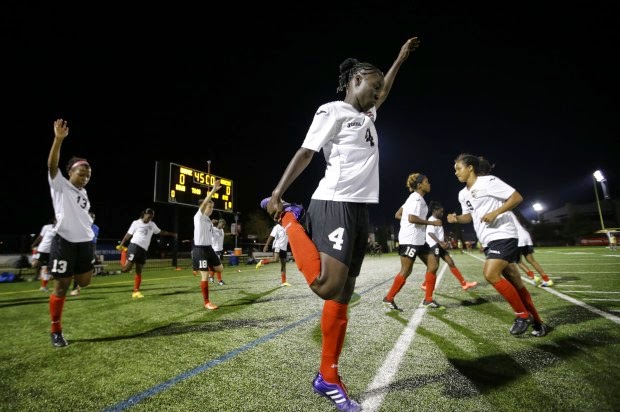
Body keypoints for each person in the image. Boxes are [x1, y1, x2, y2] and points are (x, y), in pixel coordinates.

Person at [261, 36, 420, 411]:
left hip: (360, 209)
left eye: (380, 89)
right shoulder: (332, 110)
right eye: (373, 86)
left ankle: (327, 377)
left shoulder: (367, 116)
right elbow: (306, 152)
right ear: (355, 80)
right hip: (333, 202)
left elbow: (387, 89)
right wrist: (279, 193)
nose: (378, 93)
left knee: (343, 294)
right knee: (326, 285)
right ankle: (291, 217)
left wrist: (400, 58)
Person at [447, 153, 547, 337]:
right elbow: (469, 216)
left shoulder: (489, 181)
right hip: (487, 240)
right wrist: (457, 219)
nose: (456, 173)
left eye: (458, 169)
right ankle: (538, 323)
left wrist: (496, 212)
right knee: (516, 283)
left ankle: (522, 315)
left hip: (504, 234)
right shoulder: (462, 194)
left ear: (470, 168)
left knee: (490, 274)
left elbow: (516, 197)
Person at [46, 119, 95, 347]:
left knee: (84, 282)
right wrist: (58, 139)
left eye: (88, 175)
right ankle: (56, 330)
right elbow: (52, 166)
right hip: (64, 242)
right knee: (61, 287)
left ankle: (71, 270)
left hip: (85, 242)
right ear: (70, 172)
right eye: (81, 174)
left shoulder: (84, 193)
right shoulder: (60, 185)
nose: (84, 178)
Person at [383, 173, 445, 311]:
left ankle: (428, 299)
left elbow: (398, 215)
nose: (429, 184)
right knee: (406, 271)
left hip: (419, 240)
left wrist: (407, 221)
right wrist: (432, 223)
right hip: (410, 240)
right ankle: (389, 298)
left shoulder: (414, 198)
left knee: (433, 265)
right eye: (426, 181)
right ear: (419, 185)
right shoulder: (416, 199)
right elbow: (411, 218)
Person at [117, 208, 177, 298]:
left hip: (144, 250)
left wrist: (172, 234)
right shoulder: (136, 223)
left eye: (151, 217)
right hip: (134, 246)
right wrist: (121, 245)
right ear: (144, 214)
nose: (150, 218)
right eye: (149, 216)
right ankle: (124, 252)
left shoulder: (152, 224)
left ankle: (136, 292)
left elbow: (161, 232)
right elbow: (128, 235)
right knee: (126, 269)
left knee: (139, 271)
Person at [421, 200, 478, 291]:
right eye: (441, 211)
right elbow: (430, 233)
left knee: (450, 263)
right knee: (433, 268)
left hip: (439, 245)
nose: (442, 213)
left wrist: (446, 240)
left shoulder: (438, 220)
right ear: (435, 210)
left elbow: (440, 233)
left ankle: (464, 284)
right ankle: (425, 286)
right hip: (434, 245)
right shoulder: (431, 220)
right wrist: (440, 243)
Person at [192, 180, 223, 310]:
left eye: (212, 207)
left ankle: (200, 266)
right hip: (200, 250)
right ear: (203, 207)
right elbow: (205, 202)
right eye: (210, 207)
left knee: (220, 269)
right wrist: (213, 190)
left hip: (209, 249)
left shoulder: (208, 220)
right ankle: (207, 302)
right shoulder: (198, 216)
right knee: (204, 276)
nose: (211, 209)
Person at [512, 209, 554, 287]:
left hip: (518, 238)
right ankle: (547, 280)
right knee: (532, 261)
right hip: (526, 236)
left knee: (518, 261)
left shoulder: (502, 215)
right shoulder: (512, 214)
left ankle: (534, 277)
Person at [70, 211, 99, 296]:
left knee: (84, 270)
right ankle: (75, 287)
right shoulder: (80, 226)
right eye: (91, 217)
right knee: (75, 269)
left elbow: (93, 241)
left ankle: (77, 286)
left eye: (93, 217)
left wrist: (94, 252)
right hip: (80, 248)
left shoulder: (95, 227)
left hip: (89, 249)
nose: (92, 219)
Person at [256, 223, 291, 287]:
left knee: (283, 265)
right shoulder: (277, 227)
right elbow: (271, 236)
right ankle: (262, 262)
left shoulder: (287, 226)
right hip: (277, 246)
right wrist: (266, 245)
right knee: (275, 259)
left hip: (284, 248)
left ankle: (284, 282)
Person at [31, 218, 56, 292]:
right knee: (35, 265)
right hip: (42, 249)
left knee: (47, 269)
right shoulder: (46, 227)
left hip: (52, 252)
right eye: (56, 220)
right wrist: (34, 244)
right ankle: (38, 275)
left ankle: (43, 286)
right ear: (54, 221)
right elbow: (40, 236)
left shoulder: (61, 229)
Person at [208, 218, 227, 285]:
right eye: (222, 224)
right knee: (218, 266)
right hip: (215, 250)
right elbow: (208, 229)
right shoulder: (213, 229)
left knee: (215, 266)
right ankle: (219, 281)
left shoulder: (222, 230)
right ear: (219, 223)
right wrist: (211, 223)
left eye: (224, 225)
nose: (223, 226)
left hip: (220, 250)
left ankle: (211, 277)